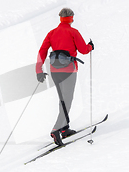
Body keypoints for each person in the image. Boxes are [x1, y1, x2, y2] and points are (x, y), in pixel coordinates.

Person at [36, 8, 94, 146]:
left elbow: (42, 51)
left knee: (63, 99)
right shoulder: (73, 32)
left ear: (60, 18)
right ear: (71, 18)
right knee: (67, 100)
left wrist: (38, 70)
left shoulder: (52, 33)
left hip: (54, 71)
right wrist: (91, 46)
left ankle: (64, 129)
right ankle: (56, 129)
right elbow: (83, 50)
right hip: (69, 70)